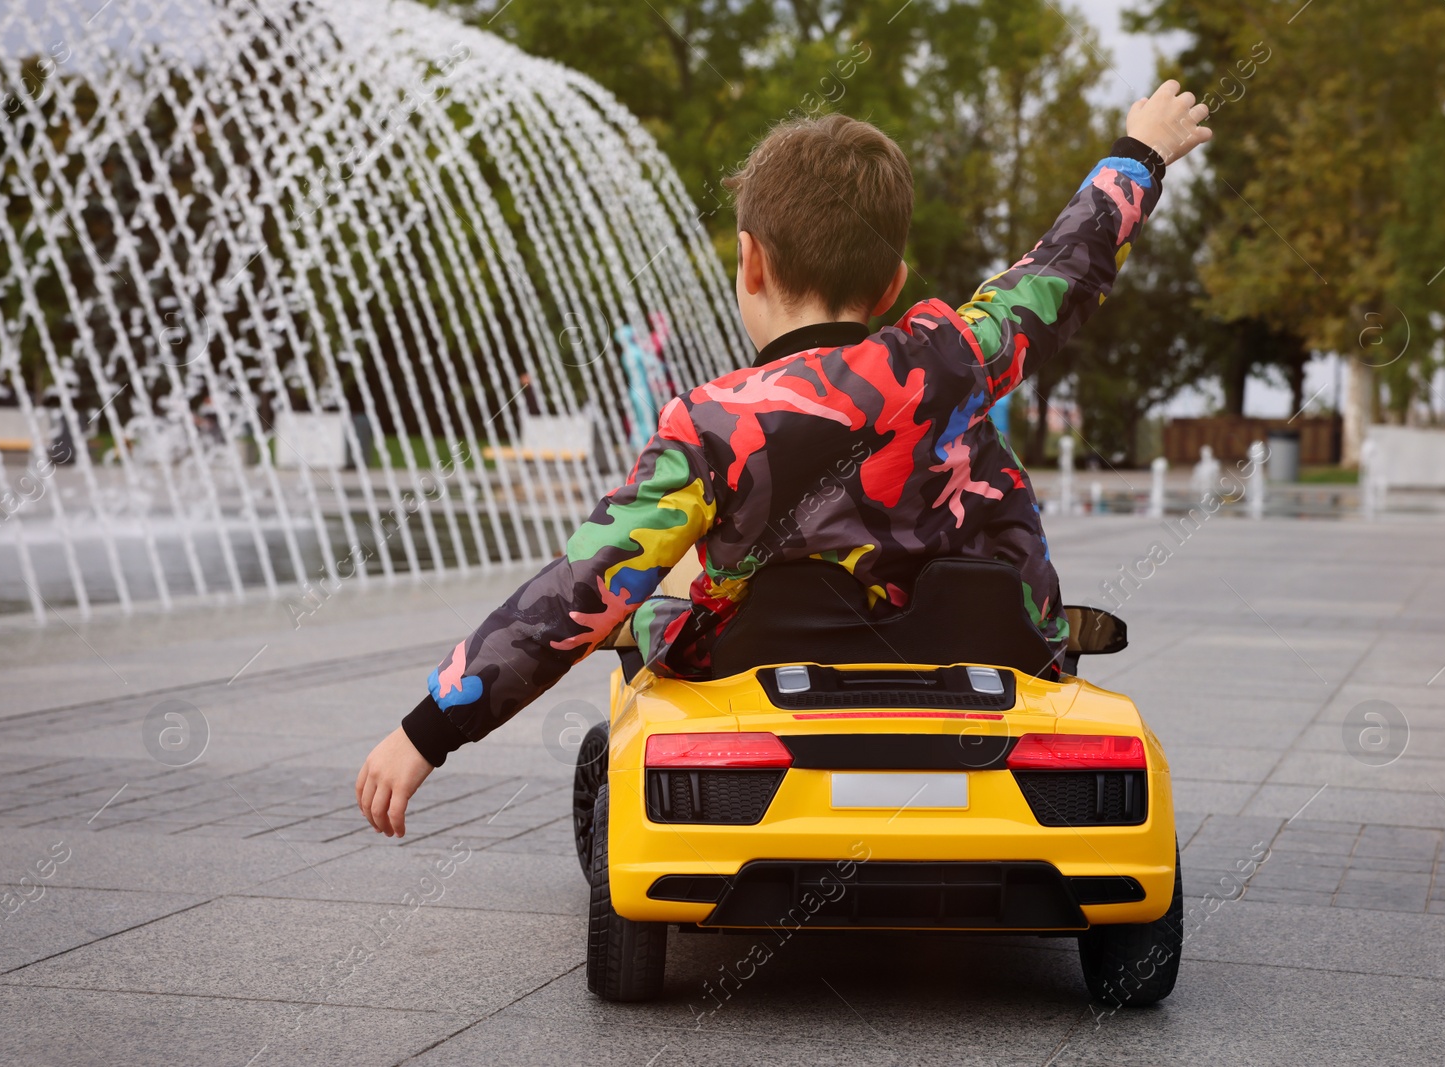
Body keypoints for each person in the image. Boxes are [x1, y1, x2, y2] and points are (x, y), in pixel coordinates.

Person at [356, 80, 1212, 837]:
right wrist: (1140, 152)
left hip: (762, 665)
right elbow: (1064, 267)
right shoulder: (957, 355)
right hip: (979, 647)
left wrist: (428, 728)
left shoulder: (711, 424)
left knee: (637, 615)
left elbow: (576, 591)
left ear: (750, 261)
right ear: (894, 285)